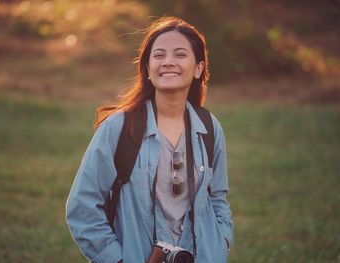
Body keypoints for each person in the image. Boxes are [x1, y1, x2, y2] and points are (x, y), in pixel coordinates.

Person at [66, 16, 234, 263]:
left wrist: (220, 245)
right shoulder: (119, 128)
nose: (168, 62)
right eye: (158, 55)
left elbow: (218, 198)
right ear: (146, 68)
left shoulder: (209, 129)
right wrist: (116, 259)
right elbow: (82, 206)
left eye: (179, 54)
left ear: (199, 68)